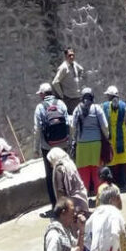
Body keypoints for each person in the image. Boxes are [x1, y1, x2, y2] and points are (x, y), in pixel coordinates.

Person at [35, 83, 72, 217]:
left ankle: (56, 206)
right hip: (63, 145)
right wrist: (69, 141)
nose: (39, 95)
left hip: (48, 148)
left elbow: (37, 129)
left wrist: (36, 148)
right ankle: (69, 203)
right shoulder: (61, 104)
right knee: (66, 172)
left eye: (40, 93)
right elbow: (68, 123)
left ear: (44, 94)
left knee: (51, 176)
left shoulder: (40, 107)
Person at [71, 88, 109, 197]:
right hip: (96, 145)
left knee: (83, 176)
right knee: (97, 174)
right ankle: (101, 200)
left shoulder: (77, 109)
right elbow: (105, 126)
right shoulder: (97, 109)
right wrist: (106, 137)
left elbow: (73, 127)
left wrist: (75, 138)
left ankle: (83, 202)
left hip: (82, 146)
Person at [102, 86, 126, 190]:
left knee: (111, 159)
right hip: (122, 134)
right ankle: (123, 182)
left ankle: (111, 183)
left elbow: (104, 122)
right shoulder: (123, 105)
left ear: (110, 96)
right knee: (122, 160)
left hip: (111, 135)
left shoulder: (105, 106)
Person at [47, 147, 89, 214]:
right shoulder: (70, 163)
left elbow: (60, 190)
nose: (51, 165)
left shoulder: (59, 169)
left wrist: (61, 207)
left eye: (51, 162)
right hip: (82, 197)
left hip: (71, 203)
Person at [52, 48, 85, 114]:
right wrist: (62, 95)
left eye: (73, 55)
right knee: (72, 118)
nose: (72, 57)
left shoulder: (74, 64)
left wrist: (79, 78)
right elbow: (55, 82)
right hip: (69, 98)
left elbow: (81, 69)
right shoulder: (64, 68)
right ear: (66, 56)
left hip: (77, 97)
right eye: (69, 55)